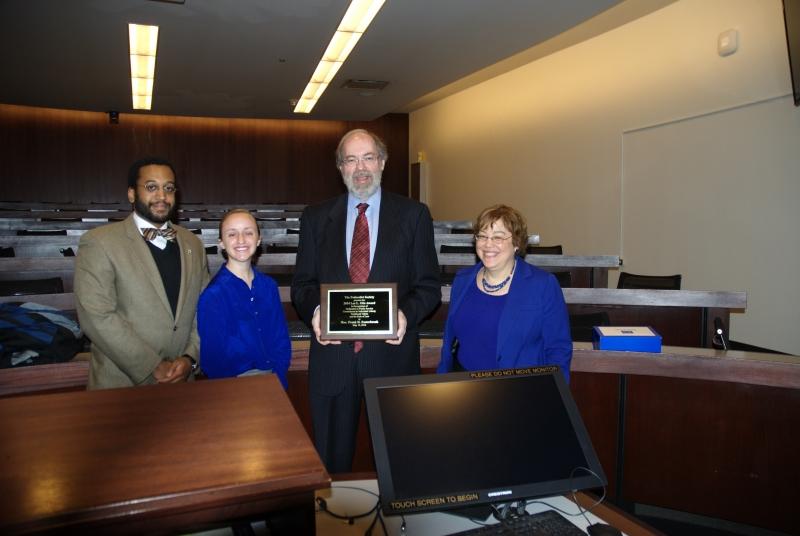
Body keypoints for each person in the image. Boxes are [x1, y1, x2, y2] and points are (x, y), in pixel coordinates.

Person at [291, 129, 441, 473]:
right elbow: (302, 285)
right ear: (340, 167)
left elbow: (429, 286)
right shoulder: (315, 218)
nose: (361, 167)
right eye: (351, 159)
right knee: (330, 467)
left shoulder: (414, 215)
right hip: (333, 362)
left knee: (399, 464)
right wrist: (316, 312)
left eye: (368, 157)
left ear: (383, 163)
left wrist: (404, 315)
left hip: (392, 360)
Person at [74, 156, 209, 389]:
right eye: (151, 187)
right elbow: (97, 316)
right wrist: (151, 365)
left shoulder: (192, 243)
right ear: (131, 194)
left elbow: (205, 309)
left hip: (183, 381)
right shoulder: (99, 242)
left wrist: (190, 357)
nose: (161, 196)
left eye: (168, 188)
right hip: (122, 384)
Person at [436, 204, 573, 382]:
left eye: (498, 237)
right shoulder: (463, 280)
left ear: (516, 243)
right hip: (463, 387)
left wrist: (552, 395)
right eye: (483, 236)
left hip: (519, 393)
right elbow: (450, 342)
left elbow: (558, 349)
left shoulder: (543, 285)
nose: (488, 244)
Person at [197, 209, 291, 388]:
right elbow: (213, 360)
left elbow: (281, 339)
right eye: (232, 234)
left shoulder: (269, 286)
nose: (241, 240)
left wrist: (278, 377)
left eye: (248, 232)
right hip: (235, 386)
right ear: (221, 243)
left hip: (274, 379)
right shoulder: (213, 296)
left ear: (258, 239)